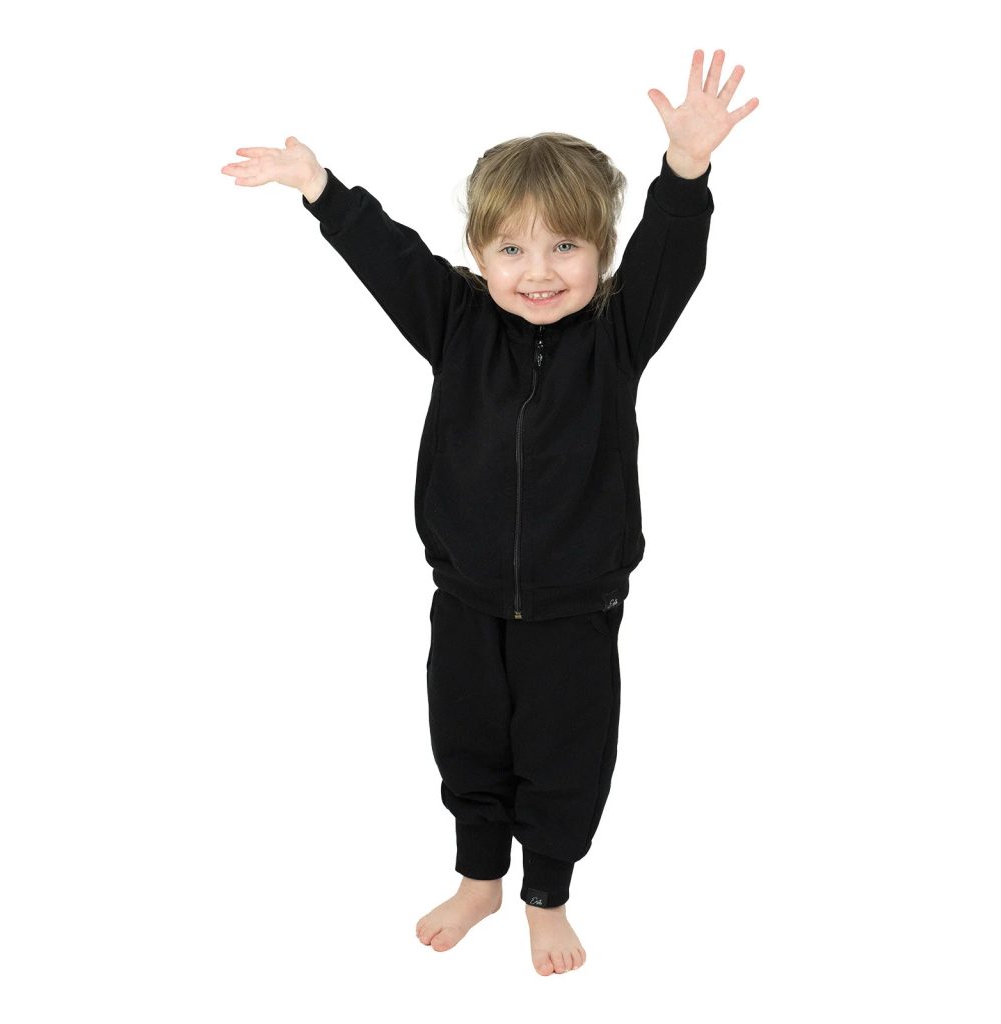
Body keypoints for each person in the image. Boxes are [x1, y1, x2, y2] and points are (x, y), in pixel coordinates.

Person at [220, 48, 758, 976]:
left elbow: (671, 254)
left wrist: (686, 170)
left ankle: (546, 892)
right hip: (465, 596)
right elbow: (388, 257)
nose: (538, 271)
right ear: (479, 255)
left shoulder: (618, 335)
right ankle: (479, 879)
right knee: (467, 740)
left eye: (565, 247)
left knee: (563, 755)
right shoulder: (456, 322)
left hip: (575, 606)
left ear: (601, 254)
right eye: (512, 249)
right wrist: (319, 188)